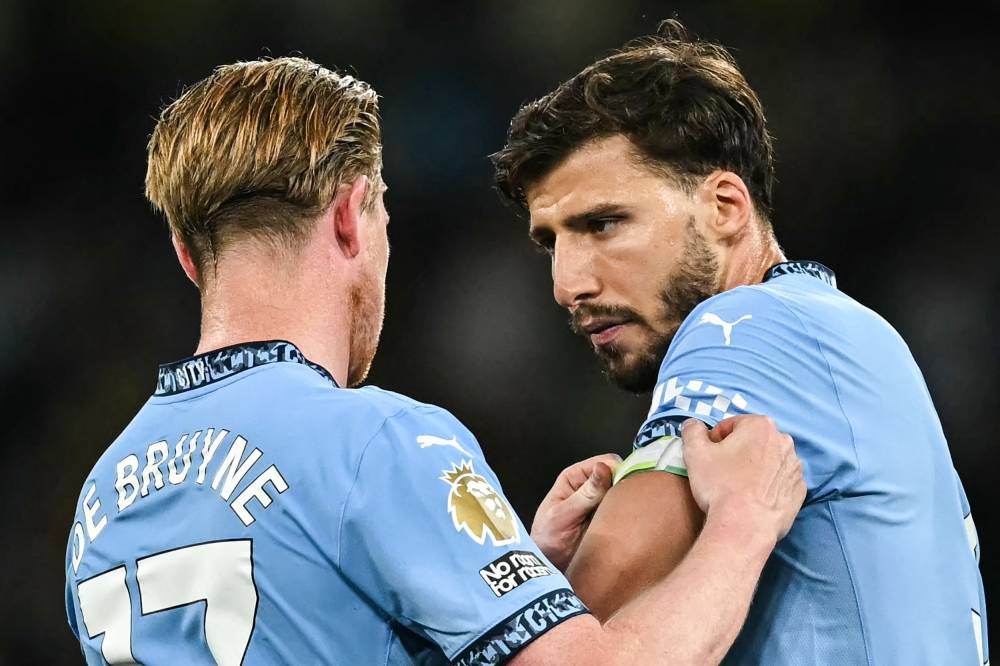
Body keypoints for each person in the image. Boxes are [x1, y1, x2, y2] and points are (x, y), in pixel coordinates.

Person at [64, 57, 805, 665]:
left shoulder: (99, 505)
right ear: (353, 214)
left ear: (187, 256)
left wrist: (510, 574)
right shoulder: (377, 443)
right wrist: (742, 525)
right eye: (385, 212)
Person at [492, 18, 989, 665]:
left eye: (604, 223)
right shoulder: (845, 333)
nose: (567, 283)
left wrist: (522, 573)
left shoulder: (746, 330)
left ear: (725, 207)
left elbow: (575, 657)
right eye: (551, 241)